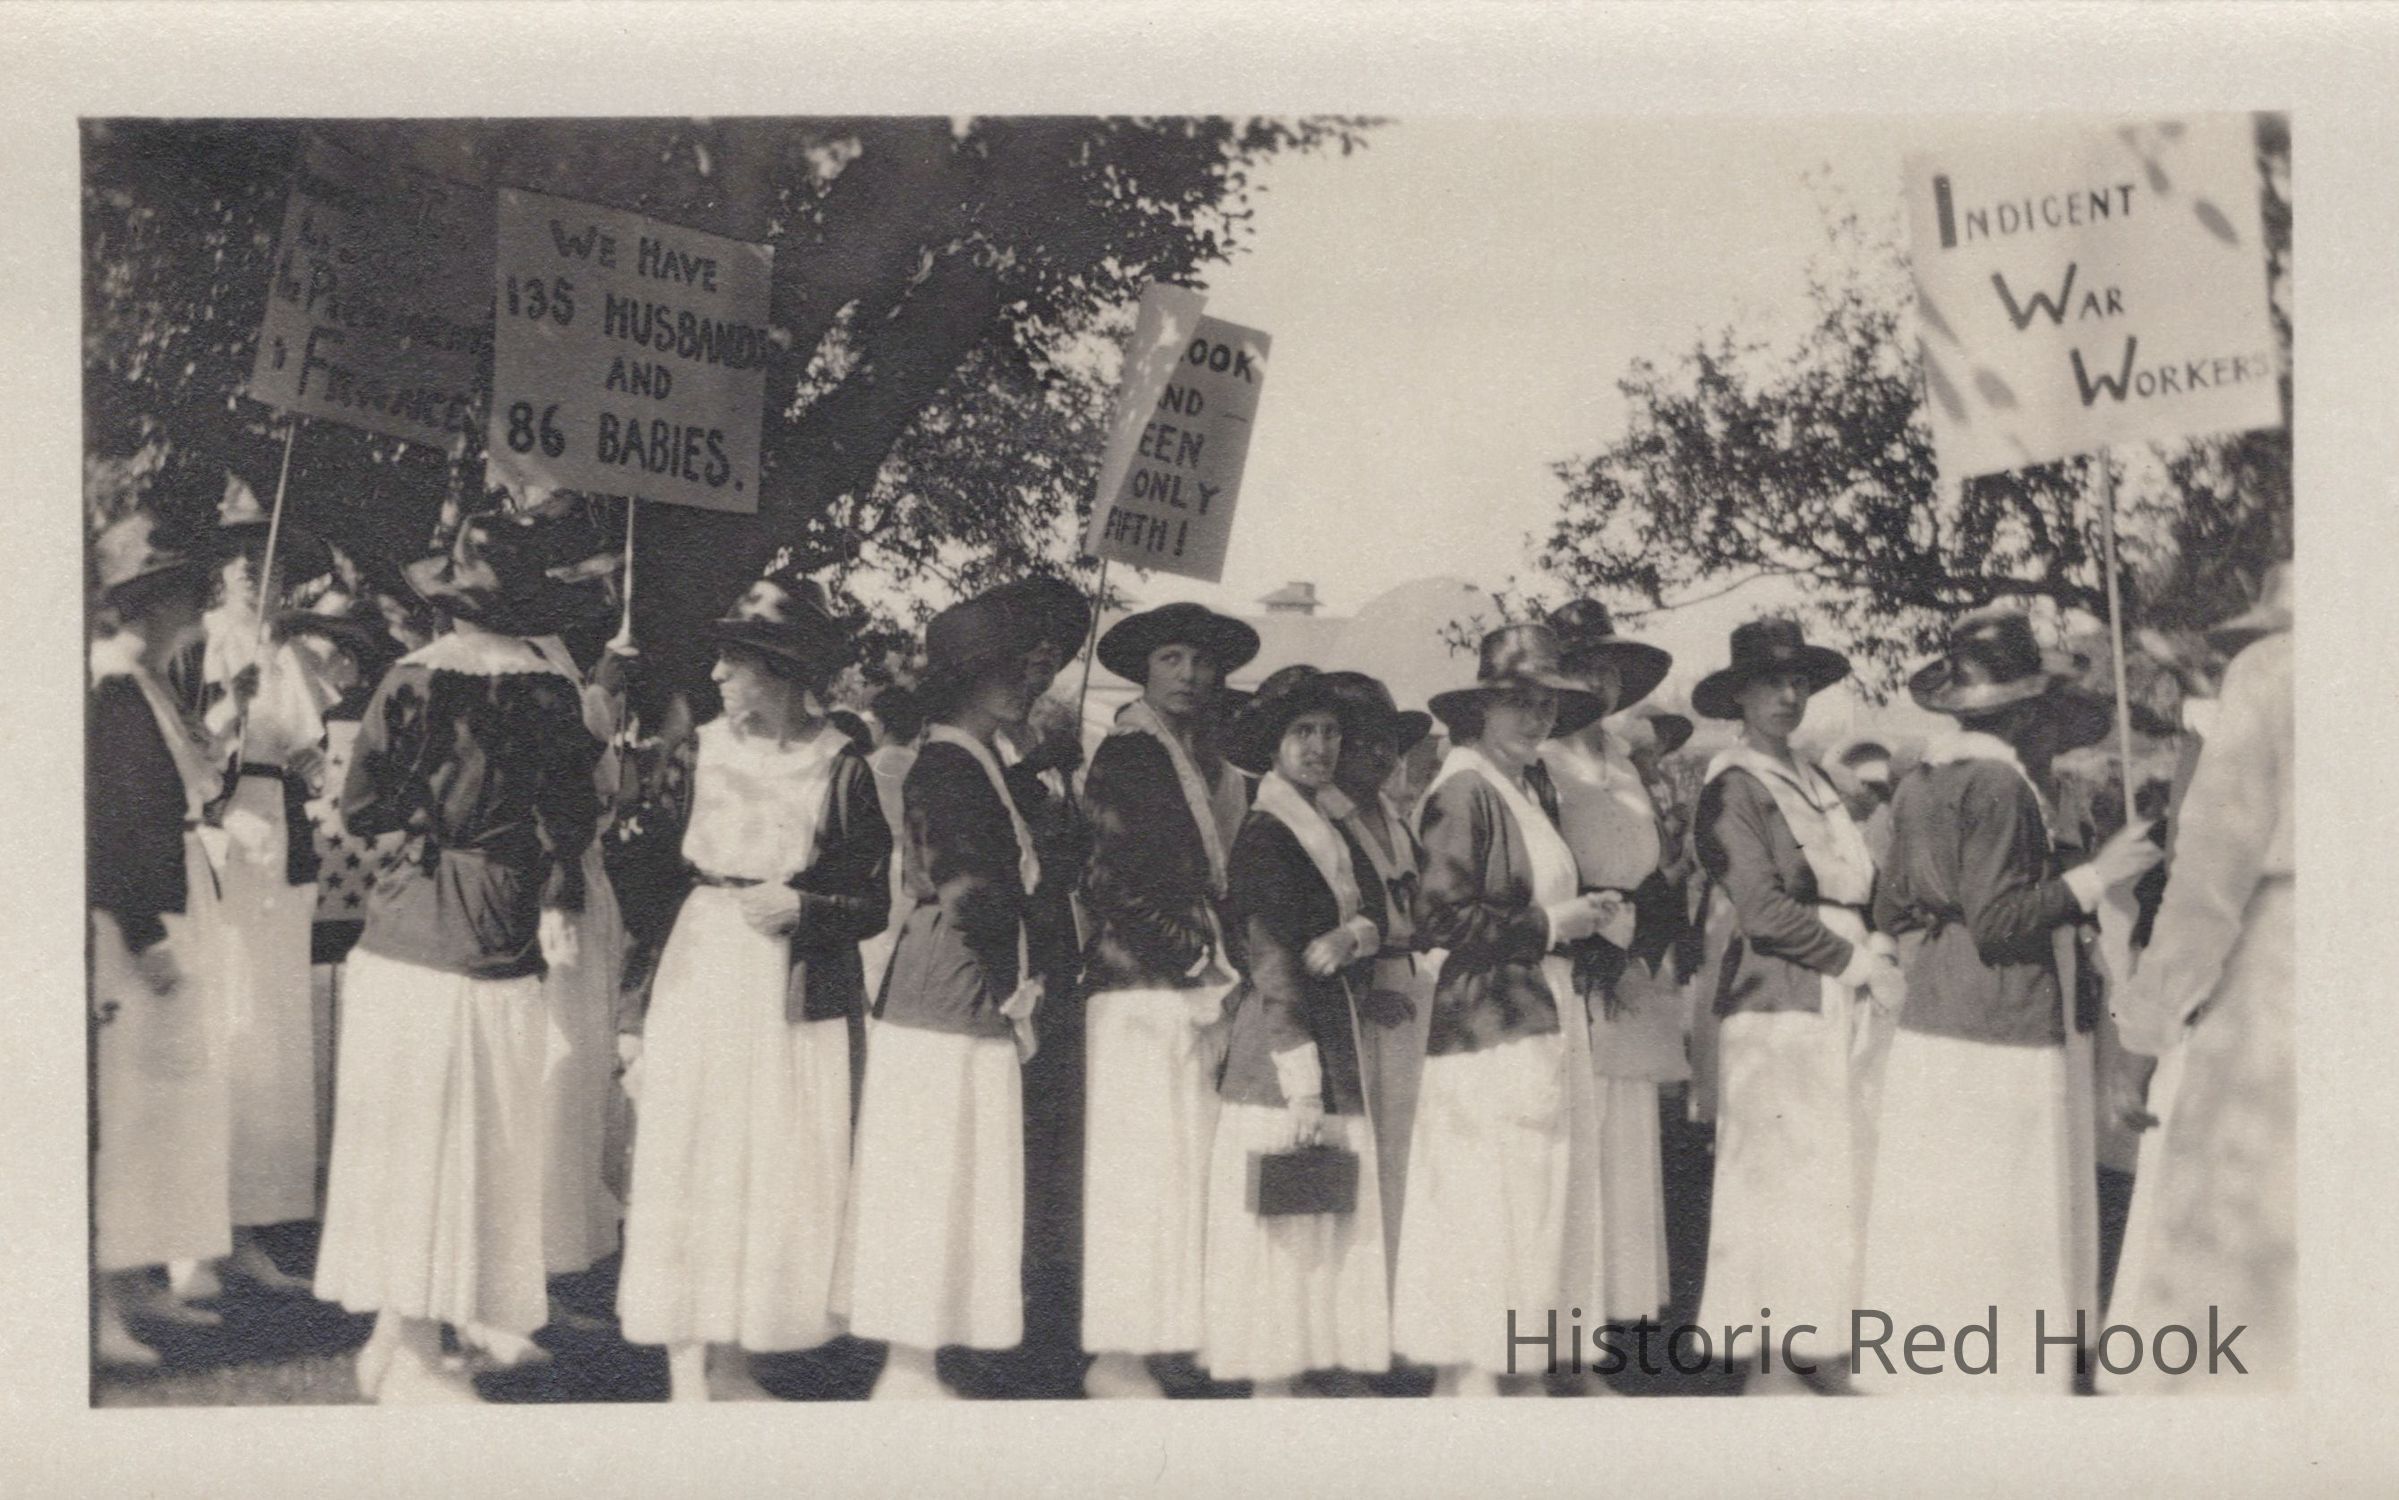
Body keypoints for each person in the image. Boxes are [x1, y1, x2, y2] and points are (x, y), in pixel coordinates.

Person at [309, 513, 604, 1402]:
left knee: (408, 1130)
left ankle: (399, 1335)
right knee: (466, 1132)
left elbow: (360, 810)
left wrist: (425, 817)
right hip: (490, 921)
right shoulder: (549, 692)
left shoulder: (409, 680)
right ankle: (411, 1348)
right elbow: (573, 817)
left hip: (408, 917)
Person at [1857, 610, 2162, 1395]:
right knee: (2005, 1206)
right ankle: (2004, 1380)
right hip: (2002, 1017)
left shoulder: (1921, 782)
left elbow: (1893, 900)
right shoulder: (1998, 785)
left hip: (1937, 1011)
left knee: (1953, 1208)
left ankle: (1935, 1375)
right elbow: (1998, 921)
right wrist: (2097, 876)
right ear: (2023, 712)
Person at [613, 571, 891, 1401]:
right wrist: (632, 1010)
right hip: (700, 970)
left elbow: (871, 901)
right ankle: (685, 1373)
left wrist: (806, 908)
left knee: (767, 1165)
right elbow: (650, 889)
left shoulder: (841, 767)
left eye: (732, 662)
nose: (716, 676)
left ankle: (735, 1364)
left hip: (788, 992)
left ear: (779, 669)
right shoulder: (697, 752)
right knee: (690, 1157)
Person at [1390, 623, 1617, 1396]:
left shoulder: (1523, 787)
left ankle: (1516, 1369)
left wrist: (1584, 920)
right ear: (1480, 708)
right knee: (1492, 1196)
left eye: (1546, 703)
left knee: (1533, 1194)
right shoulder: (1464, 791)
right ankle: (1474, 1373)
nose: (1535, 716)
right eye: (1518, 701)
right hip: (1490, 1022)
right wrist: (1550, 925)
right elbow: (1439, 919)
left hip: (1538, 1009)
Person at [1687, 617, 1902, 1392]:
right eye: (1771, 683)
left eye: (1798, 682)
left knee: (1834, 1173)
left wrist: (1879, 946)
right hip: (1780, 996)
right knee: (1777, 1179)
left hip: (1845, 987)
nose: (1787, 696)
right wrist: (1855, 961)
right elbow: (1761, 908)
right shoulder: (1732, 785)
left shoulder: (1815, 781)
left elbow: (1863, 885)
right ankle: (1768, 1366)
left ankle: (1826, 1349)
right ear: (1738, 697)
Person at [843, 589, 1046, 1399]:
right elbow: (971, 894)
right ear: (966, 679)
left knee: (959, 1174)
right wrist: (1015, 988)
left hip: (970, 988)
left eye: (1029, 670)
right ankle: (905, 1364)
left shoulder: (983, 762)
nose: (1026, 683)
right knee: (927, 1173)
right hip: (949, 989)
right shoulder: (945, 765)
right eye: (1008, 670)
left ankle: (925, 1358)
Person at [2104, 566, 2293, 1392]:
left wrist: (2141, 1031)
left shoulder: (2270, 676)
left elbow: (2208, 877)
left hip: (2283, 959)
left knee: (2244, 1220)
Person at [1077, 601, 1259, 1398]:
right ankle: (1116, 1357)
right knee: (1139, 1172)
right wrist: (1193, 958)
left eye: (1202, 661)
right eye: (1171, 659)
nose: (1190, 675)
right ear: (1145, 672)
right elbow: (1111, 883)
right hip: (1140, 986)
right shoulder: (1129, 755)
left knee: (1182, 1166)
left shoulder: (1204, 761)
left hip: (1193, 987)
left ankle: (1165, 1342)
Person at [1202, 666, 1392, 1392]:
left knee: (1327, 1203)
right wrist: (1302, 1084)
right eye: (1302, 732)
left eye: (1330, 733)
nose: (1319, 747)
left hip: (1334, 1026)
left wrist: (1352, 937)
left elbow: (1377, 912)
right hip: (1284, 1040)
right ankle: (1270, 1379)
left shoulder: (1330, 824)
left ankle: (1317, 1363)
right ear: (1274, 745)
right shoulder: (1266, 834)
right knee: (1282, 1205)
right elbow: (1273, 961)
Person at [89, 509, 236, 1367]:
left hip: (170, 899)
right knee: (124, 1110)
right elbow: (106, 829)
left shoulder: (145, 685)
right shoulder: (110, 688)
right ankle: (99, 1307)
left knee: (161, 1108)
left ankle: (140, 1278)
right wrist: (146, 937)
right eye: (185, 592)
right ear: (151, 603)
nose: (197, 607)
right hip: (128, 925)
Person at [196, 478, 334, 1299]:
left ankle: (251, 1222)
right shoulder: (207, 640)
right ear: (222, 568)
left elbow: (310, 755)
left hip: (280, 837)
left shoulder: (290, 653)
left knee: (273, 1021)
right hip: (227, 829)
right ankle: (203, 1227)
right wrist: (228, 705)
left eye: (266, 555)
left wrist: (323, 777)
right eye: (240, 555)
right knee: (232, 1013)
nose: (253, 567)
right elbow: (188, 752)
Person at [1536, 600, 1679, 1344]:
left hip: (1632, 961)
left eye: (1609, 669)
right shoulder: (1541, 760)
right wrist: (1596, 948)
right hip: (1576, 960)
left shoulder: (1624, 761)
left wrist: (1642, 944)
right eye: (1582, 668)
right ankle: (1565, 1337)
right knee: (1579, 1144)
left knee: (1627, 1142)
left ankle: (1609, 1333)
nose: (1598, 683)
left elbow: (1654, 868)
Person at [986, 574, 1095, 1390]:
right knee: (1008, 1132)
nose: (1040, 669)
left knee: (1055, 1135)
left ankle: (1048, 1297)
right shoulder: (984, 747)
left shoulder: (1057, 748)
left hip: (1061, 965)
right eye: (1029, 651)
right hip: (1009, 965)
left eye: (1053, 655)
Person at [1317, 671, 1435, 1279]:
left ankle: (1405, 1286)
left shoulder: (1392, 813)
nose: (1378, 753)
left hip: (1409, 982)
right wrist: (1362, 996)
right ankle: (1368, 1285)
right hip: (1361, 993)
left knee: (1409, 1142)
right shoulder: (1324, 815)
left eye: (1387, 741)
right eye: (1361, 740)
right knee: (1368, 1142)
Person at [857, 684, 923, 999]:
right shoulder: (925, 766)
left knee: (875, 954)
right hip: (916, 864)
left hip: (878, 865)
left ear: (881, 725)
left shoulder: (867, 767)